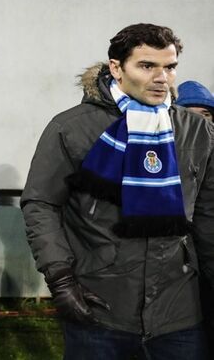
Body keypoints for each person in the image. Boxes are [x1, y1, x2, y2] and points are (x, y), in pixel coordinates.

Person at [21, 23, 214, 359]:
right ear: (116, 68)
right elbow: (41, 204)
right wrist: (61, 278)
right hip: (102, 305)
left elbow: (208, 215)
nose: (162, 78)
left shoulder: (197, 130)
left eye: (170, 67)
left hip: (179, 309)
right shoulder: (71, 128)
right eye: (147, 66)